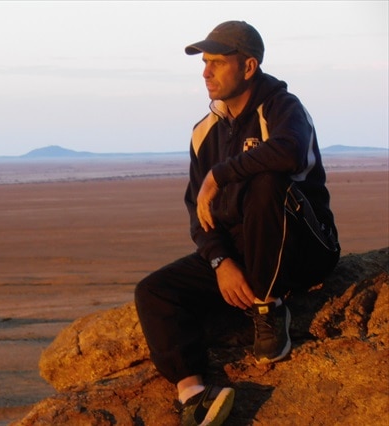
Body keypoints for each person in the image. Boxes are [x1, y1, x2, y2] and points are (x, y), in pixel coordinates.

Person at [134, 21, 340, 426]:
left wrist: (221, 174)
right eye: (204, 63)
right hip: (242, 249)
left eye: (216, 62)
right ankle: (193, 394)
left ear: (248, 67)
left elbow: (289, 153)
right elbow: (200, 212)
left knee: (266, 182)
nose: (205, 72)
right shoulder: (204, 132)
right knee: (154, 292)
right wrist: (220, 264)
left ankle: (269, 308)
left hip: (301, 246)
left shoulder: (282, 107)